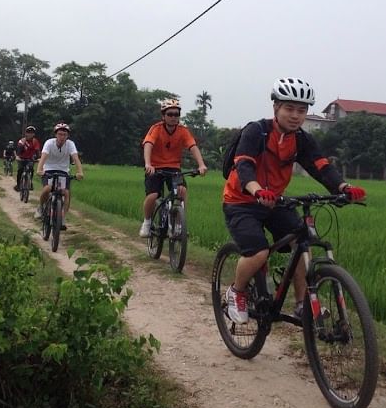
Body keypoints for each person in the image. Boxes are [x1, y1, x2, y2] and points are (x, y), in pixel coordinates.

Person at [222, 78, 366, 324]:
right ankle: (236, 292)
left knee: (302, 241)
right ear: (276, 107)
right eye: (289, 108)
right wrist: (257, 191)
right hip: (241, 201)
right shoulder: (256, 131)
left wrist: (343, 188)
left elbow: (321, 166)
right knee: (258, 252)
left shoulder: (301, 140)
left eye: (301, 110)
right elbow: (244, 165)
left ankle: (301, 304)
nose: (296, 116)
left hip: (275, 201)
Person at [139, 99, 208, 237]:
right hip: (155, 167)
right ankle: (147, 222)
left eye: (176, 114)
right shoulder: (156, 129)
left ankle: (178, 224)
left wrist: (201, 164)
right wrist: (148, 164)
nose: (173, 117)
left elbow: (193, 147)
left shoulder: (183, 131)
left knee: (182, 191)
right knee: (153, 195)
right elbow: (148, 145)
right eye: (170, 114)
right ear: (163, 116)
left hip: (173, 167)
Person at [34, 122, 85, 229]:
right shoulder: (49, 143)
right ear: (56, 135)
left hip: (63, 171)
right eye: (60, 134)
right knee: (47, 189)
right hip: (48, 170)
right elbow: (43, 157)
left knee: (66, 193)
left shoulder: (70, 144)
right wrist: (39, 169)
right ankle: (41, 207)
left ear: (67, 136)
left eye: (64, 135)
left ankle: (62, 218)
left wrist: (80, 172)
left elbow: (76, 158)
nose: (62, 137)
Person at [13, 126, 42, 192]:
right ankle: (18, 185)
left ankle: (30, 182)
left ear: (34, 134)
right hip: (21, 158)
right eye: (28, 132)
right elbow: (19, 150)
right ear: (26, 133)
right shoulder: (22, 141)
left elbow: (37, 151)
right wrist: (17, 157)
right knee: (20, 170)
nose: (30, 134)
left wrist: (39, 158)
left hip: (30, 158)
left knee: (31, 169)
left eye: (32, 133)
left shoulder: (35, 141)